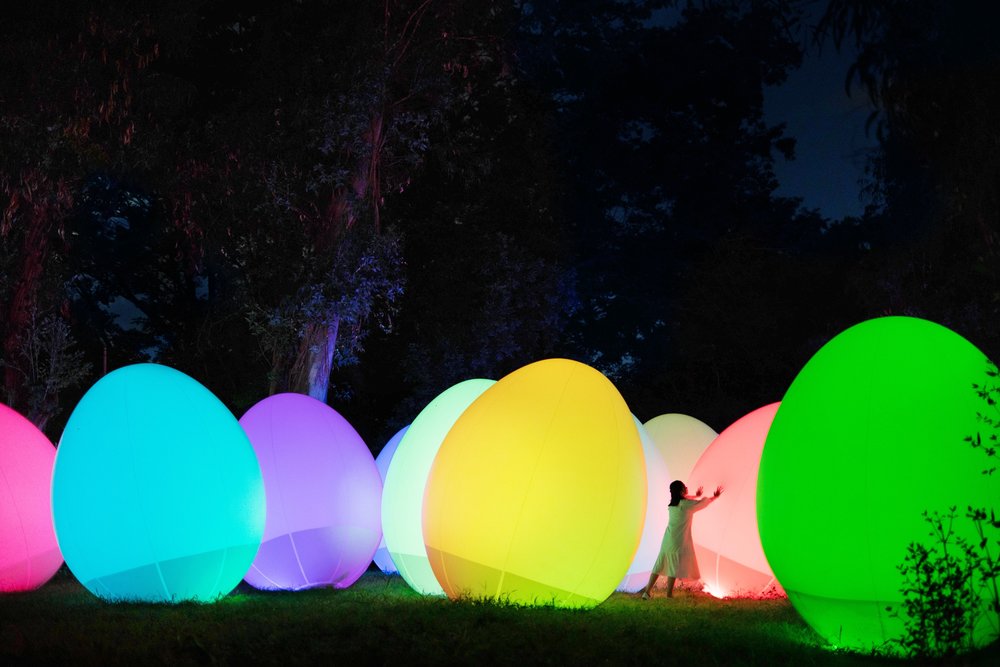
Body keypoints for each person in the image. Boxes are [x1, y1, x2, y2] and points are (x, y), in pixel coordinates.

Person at [640, 480, 723, 599]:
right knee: (673, 567)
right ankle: (668, 595)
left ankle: (646, 592)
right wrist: (714, 497)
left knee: (659, 565)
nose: (686, 487)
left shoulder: (672, 504)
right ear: (681, 490)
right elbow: (701, 504)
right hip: (678, 539)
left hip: (668, 539)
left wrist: (696, 495)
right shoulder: (685, 504)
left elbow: (687, 500)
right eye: (684, 487)